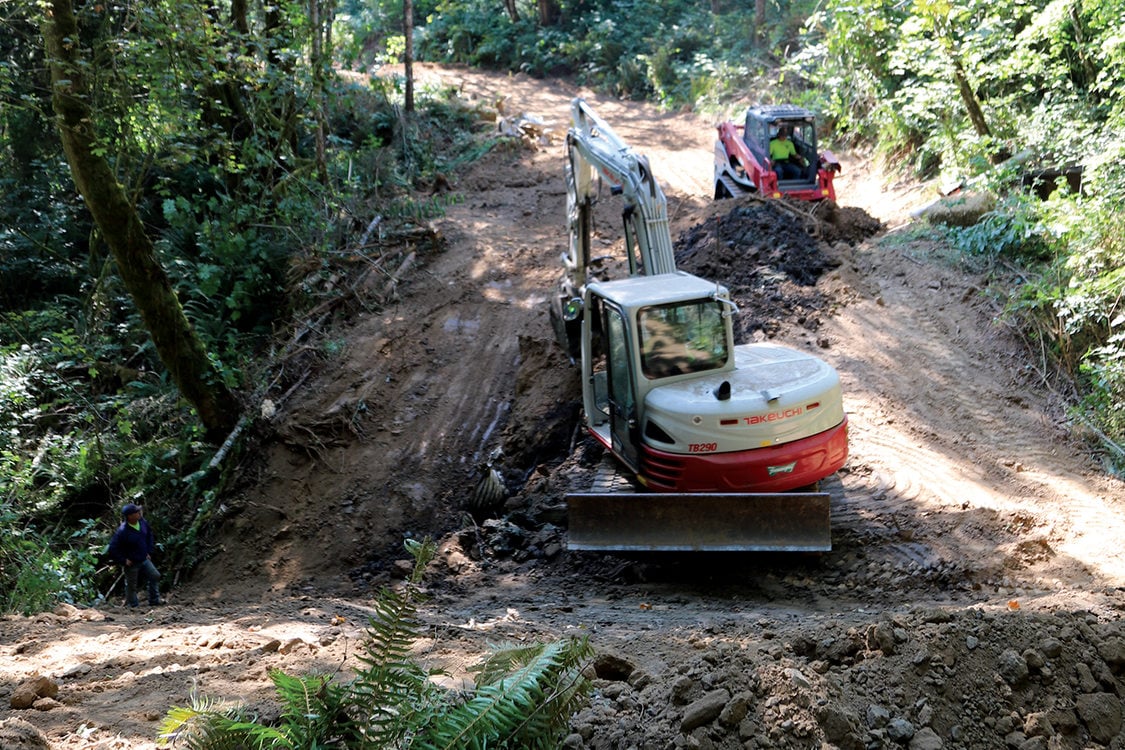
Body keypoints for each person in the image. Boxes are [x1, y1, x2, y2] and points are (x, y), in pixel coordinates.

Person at [107, 502, 163, 608]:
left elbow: (149, 535)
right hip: (131, 562)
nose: (139, 513)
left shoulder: (142, 522)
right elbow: (113, 548)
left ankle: (154, 601)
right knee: (131, 585)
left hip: (144, 558)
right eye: (136, 512)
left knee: (155, 575)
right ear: (130, 516)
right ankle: (133, 606)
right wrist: (123, 560)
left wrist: (148, 551)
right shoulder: (122, 531)